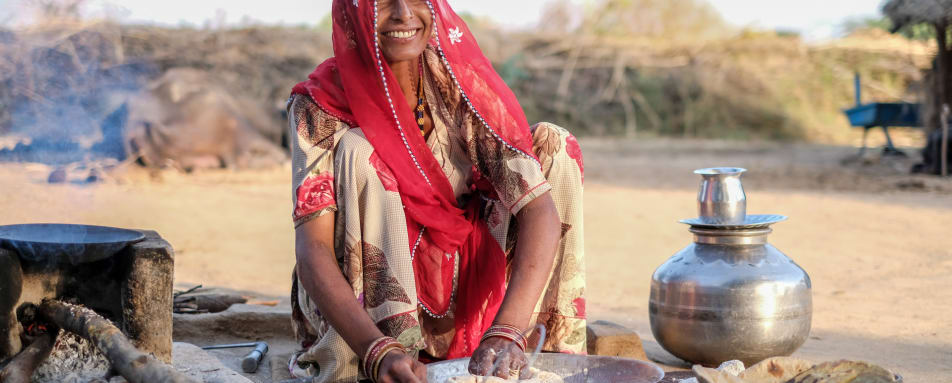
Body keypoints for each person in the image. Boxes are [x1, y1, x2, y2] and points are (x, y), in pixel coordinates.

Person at [287, 1, 585, 382]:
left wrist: (507, 328)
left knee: (555, 145)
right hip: (361, 307)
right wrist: (377, 351)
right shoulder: (319, 105)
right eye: (382, 2)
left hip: (458, 275)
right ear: (354, 11)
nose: (403, 14)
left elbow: (538, 207)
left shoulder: (456, 80)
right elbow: (313, 250)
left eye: (416, 0)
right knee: (362, 152)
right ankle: (394, 360)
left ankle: (538, 353)